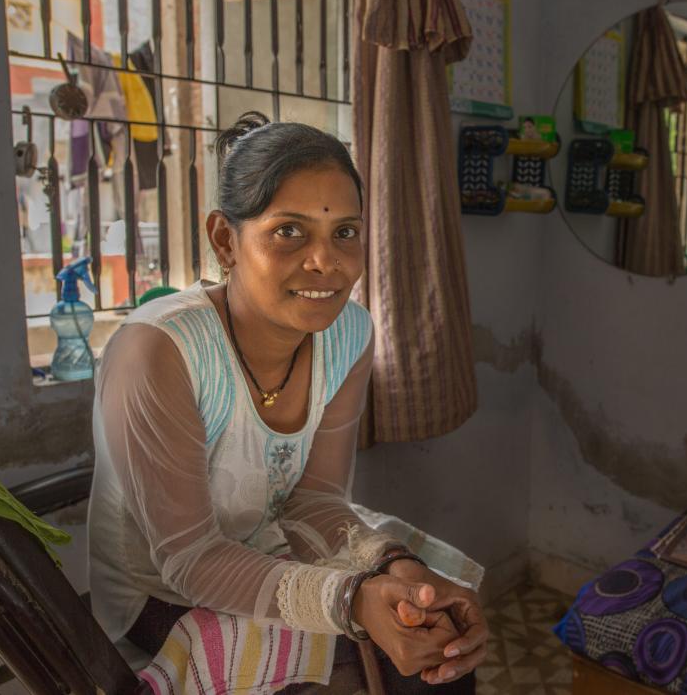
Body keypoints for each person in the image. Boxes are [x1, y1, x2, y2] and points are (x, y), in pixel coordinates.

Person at [87, 112, 488, 693]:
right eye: (289, 231)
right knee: (358, 668)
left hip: (267, 544)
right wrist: (352, 599)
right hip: (156, 587)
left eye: (344, 232)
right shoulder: (159, 350)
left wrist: (392, 572)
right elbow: (190, 558)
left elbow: (314, 500)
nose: (326, 262)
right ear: (225, 239)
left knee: (434, 637)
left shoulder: (349, 332)